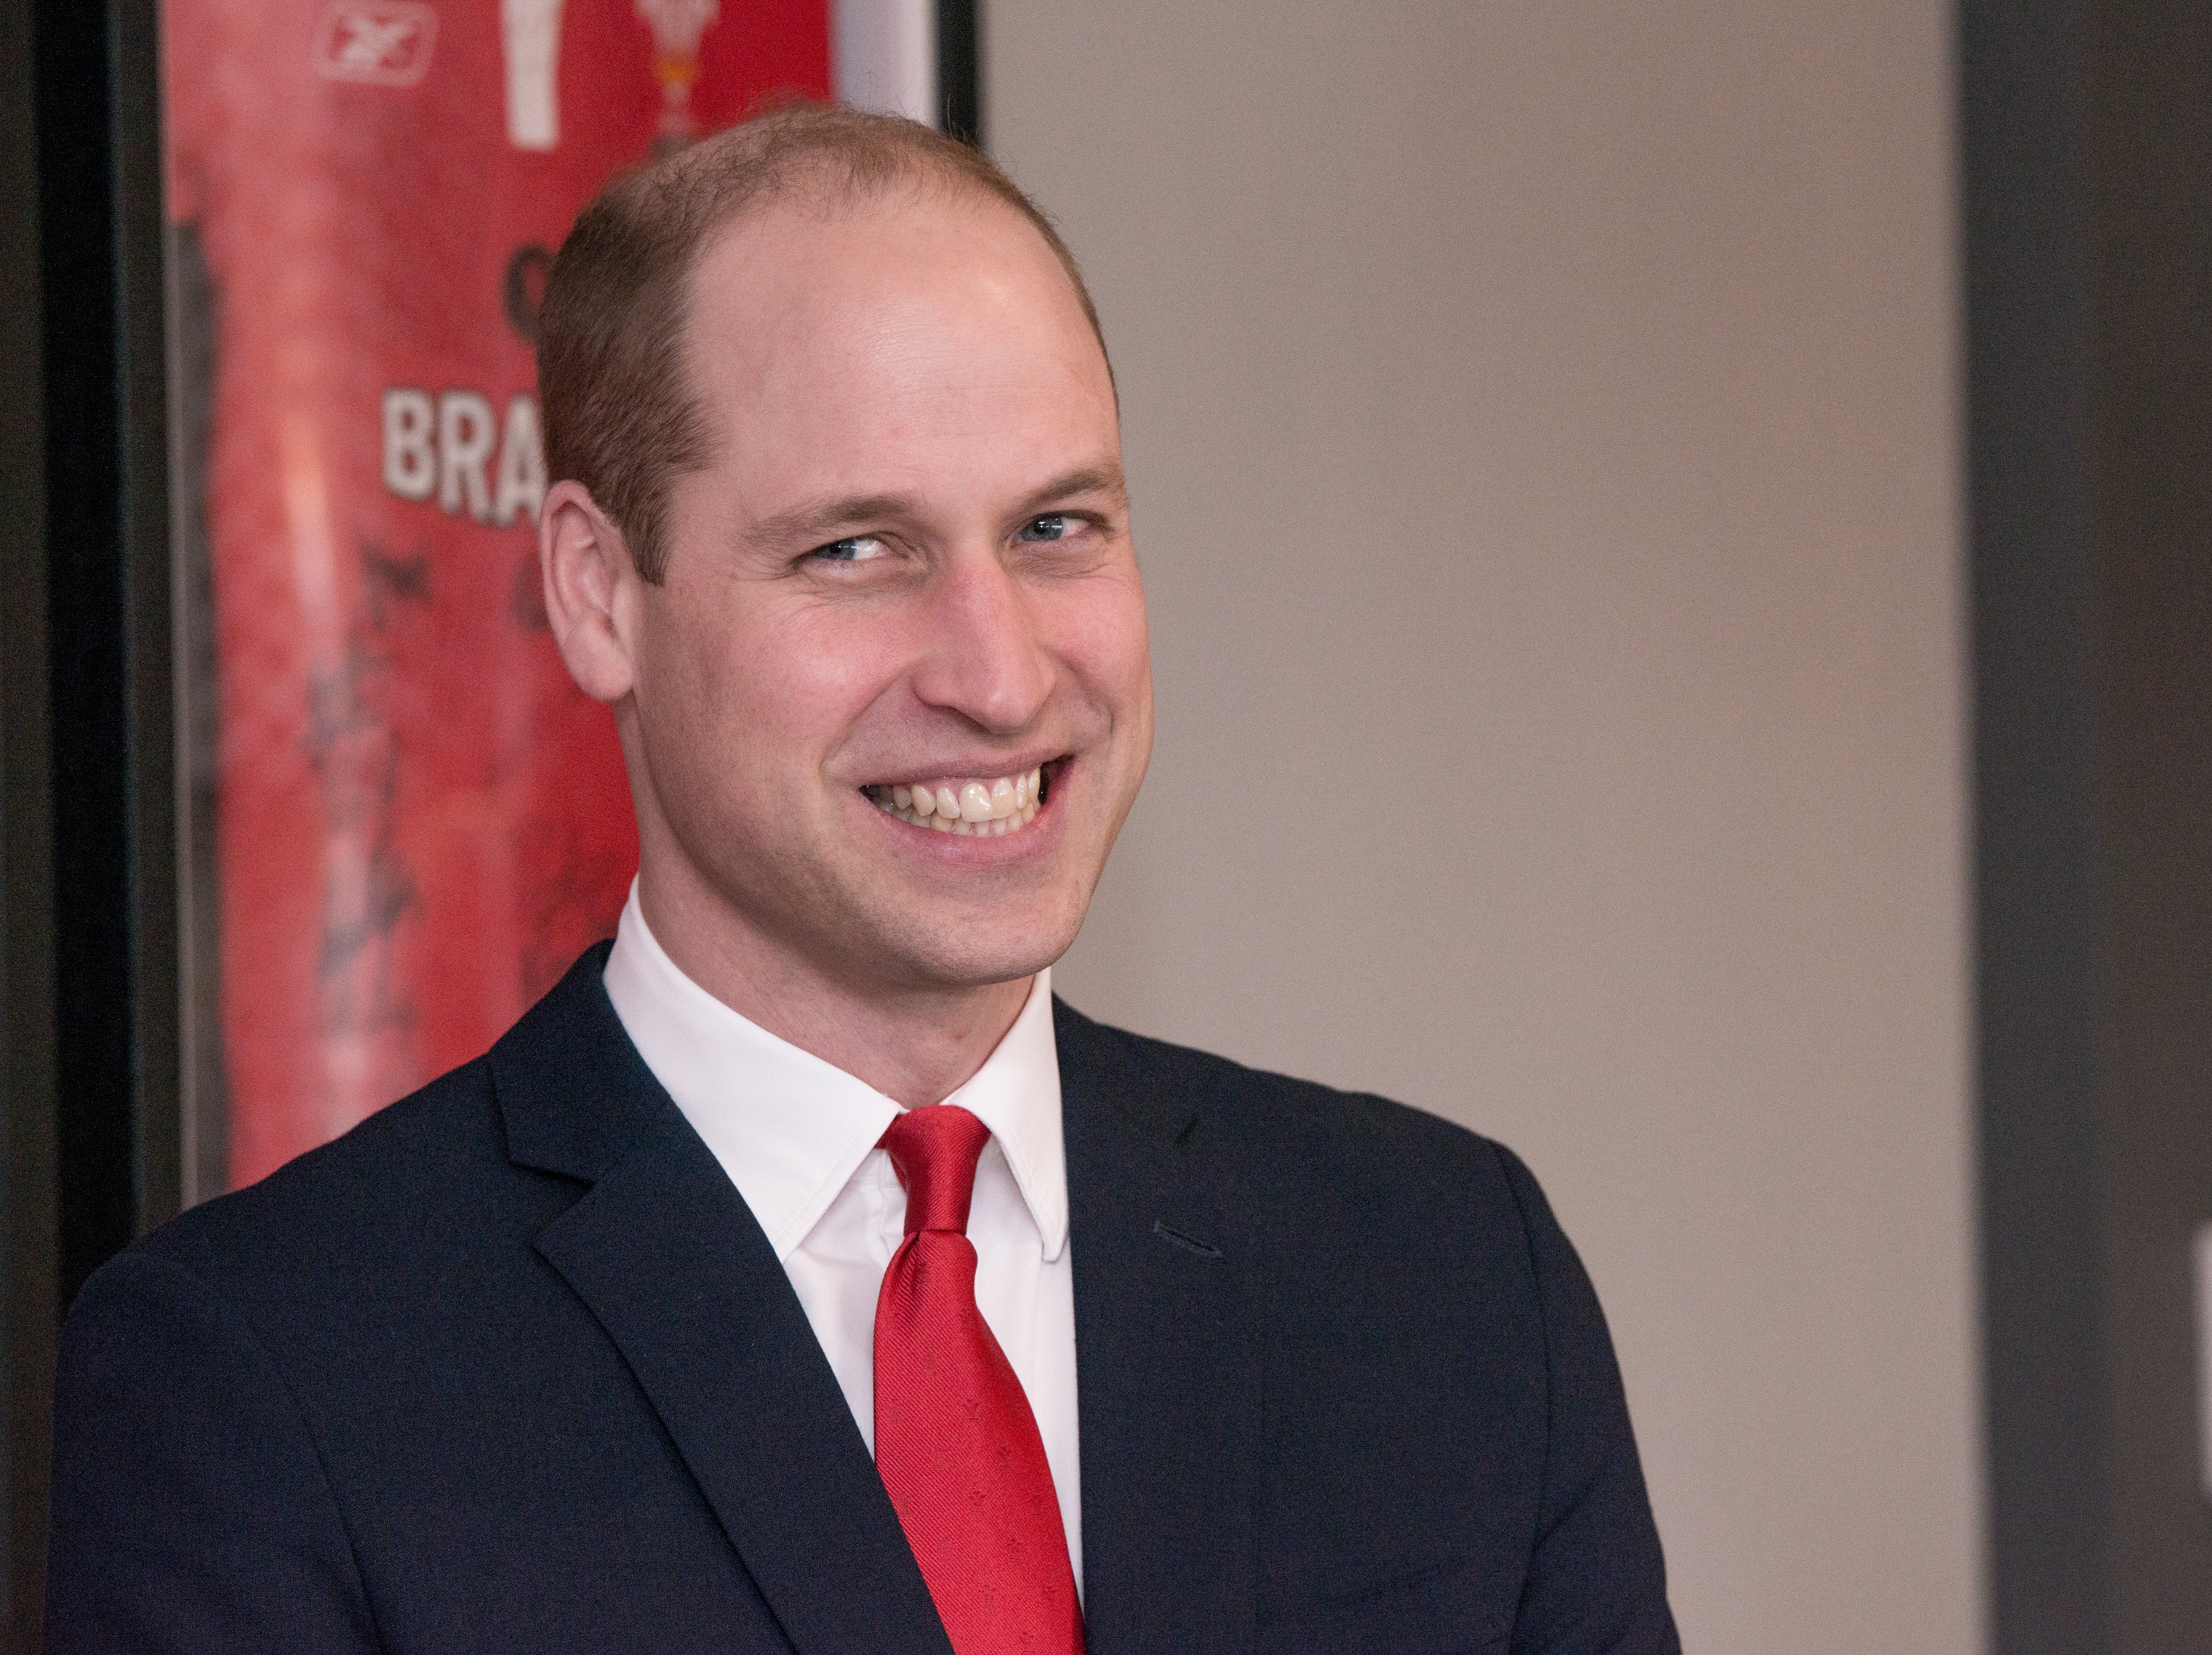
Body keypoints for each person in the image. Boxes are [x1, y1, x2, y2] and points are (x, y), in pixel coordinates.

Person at [44, 107, 1678, 1654]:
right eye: (856, 550)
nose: (998, 670)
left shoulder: (1451, 1279)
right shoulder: (274, 1377)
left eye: (1055, 527)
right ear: (599, 594)